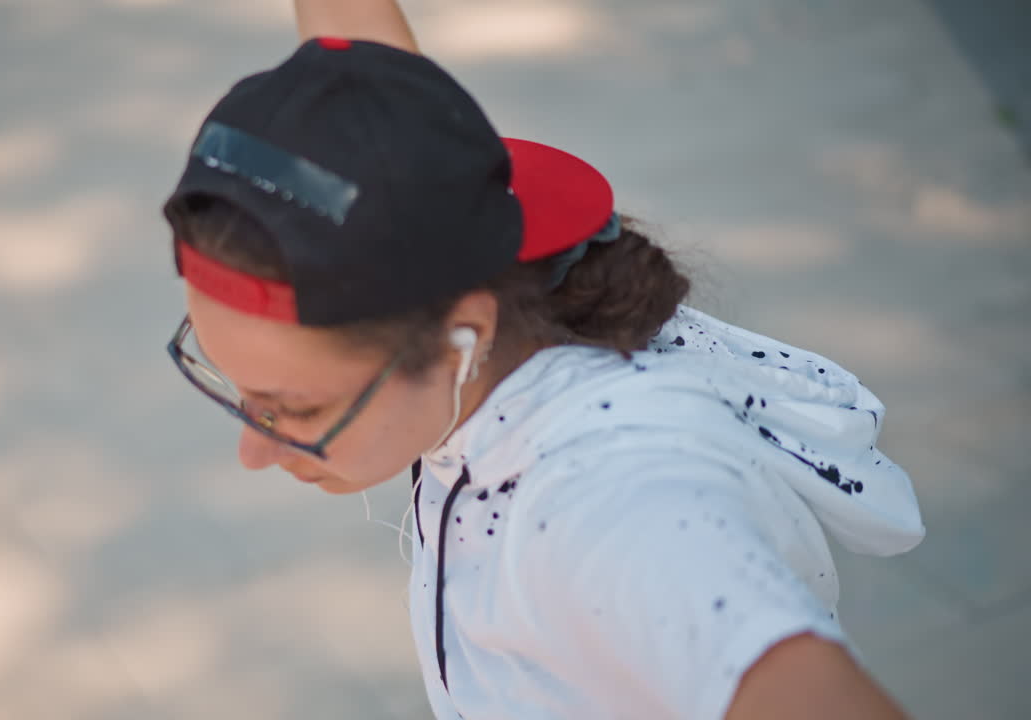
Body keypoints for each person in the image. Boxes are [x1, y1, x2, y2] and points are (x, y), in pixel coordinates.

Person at [161, 2, 926, 717]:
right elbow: (367, 84)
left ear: (463, 335)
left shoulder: (611, 501)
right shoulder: (460, 265)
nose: (253, 449)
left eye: (298, 407)